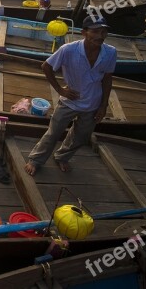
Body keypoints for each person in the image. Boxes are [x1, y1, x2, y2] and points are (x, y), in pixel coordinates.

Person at [23, 15, 116, 176]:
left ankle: (62, 157)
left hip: (93, 103)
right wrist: (60, 90)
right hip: (69, 101)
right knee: (54, 132)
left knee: (81, 136)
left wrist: (103, 106)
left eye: (103, 32)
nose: (100, 36)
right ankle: (36, 159)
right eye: (95, 31)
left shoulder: (110, 52)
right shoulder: (69, 49)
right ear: (84, 33)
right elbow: (46, 66)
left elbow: (107, 79)